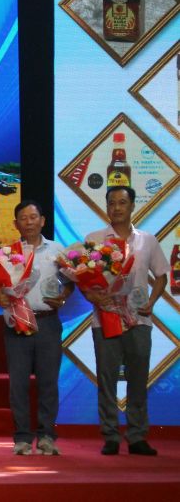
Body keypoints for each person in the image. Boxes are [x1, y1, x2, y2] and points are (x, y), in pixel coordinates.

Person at [83, 186, 168, 456]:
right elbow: (83, 278)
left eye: (122, 202)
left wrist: (151, 302)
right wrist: (92, 295)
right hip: (105, 319)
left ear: (132, 206)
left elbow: (162, 275)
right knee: (107, 379)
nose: (117, 207)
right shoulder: (94, 240)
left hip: (138, 320)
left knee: (138, 378)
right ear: (106, 207)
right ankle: (110, 436)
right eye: (112, 203)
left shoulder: (147, 240)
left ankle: (137, 436)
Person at [0, 200, 73, 456]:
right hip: (16, 323)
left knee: (48, 382)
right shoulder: (7, 253)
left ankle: (46, 436)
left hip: (47, 322)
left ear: (42, 220)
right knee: (18, 384)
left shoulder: (58, 251)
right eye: (23, 218)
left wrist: (63, 296)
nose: (29, 222)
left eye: (33, 217)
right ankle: (21, 437)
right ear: (15, 223)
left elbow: (72, 281)